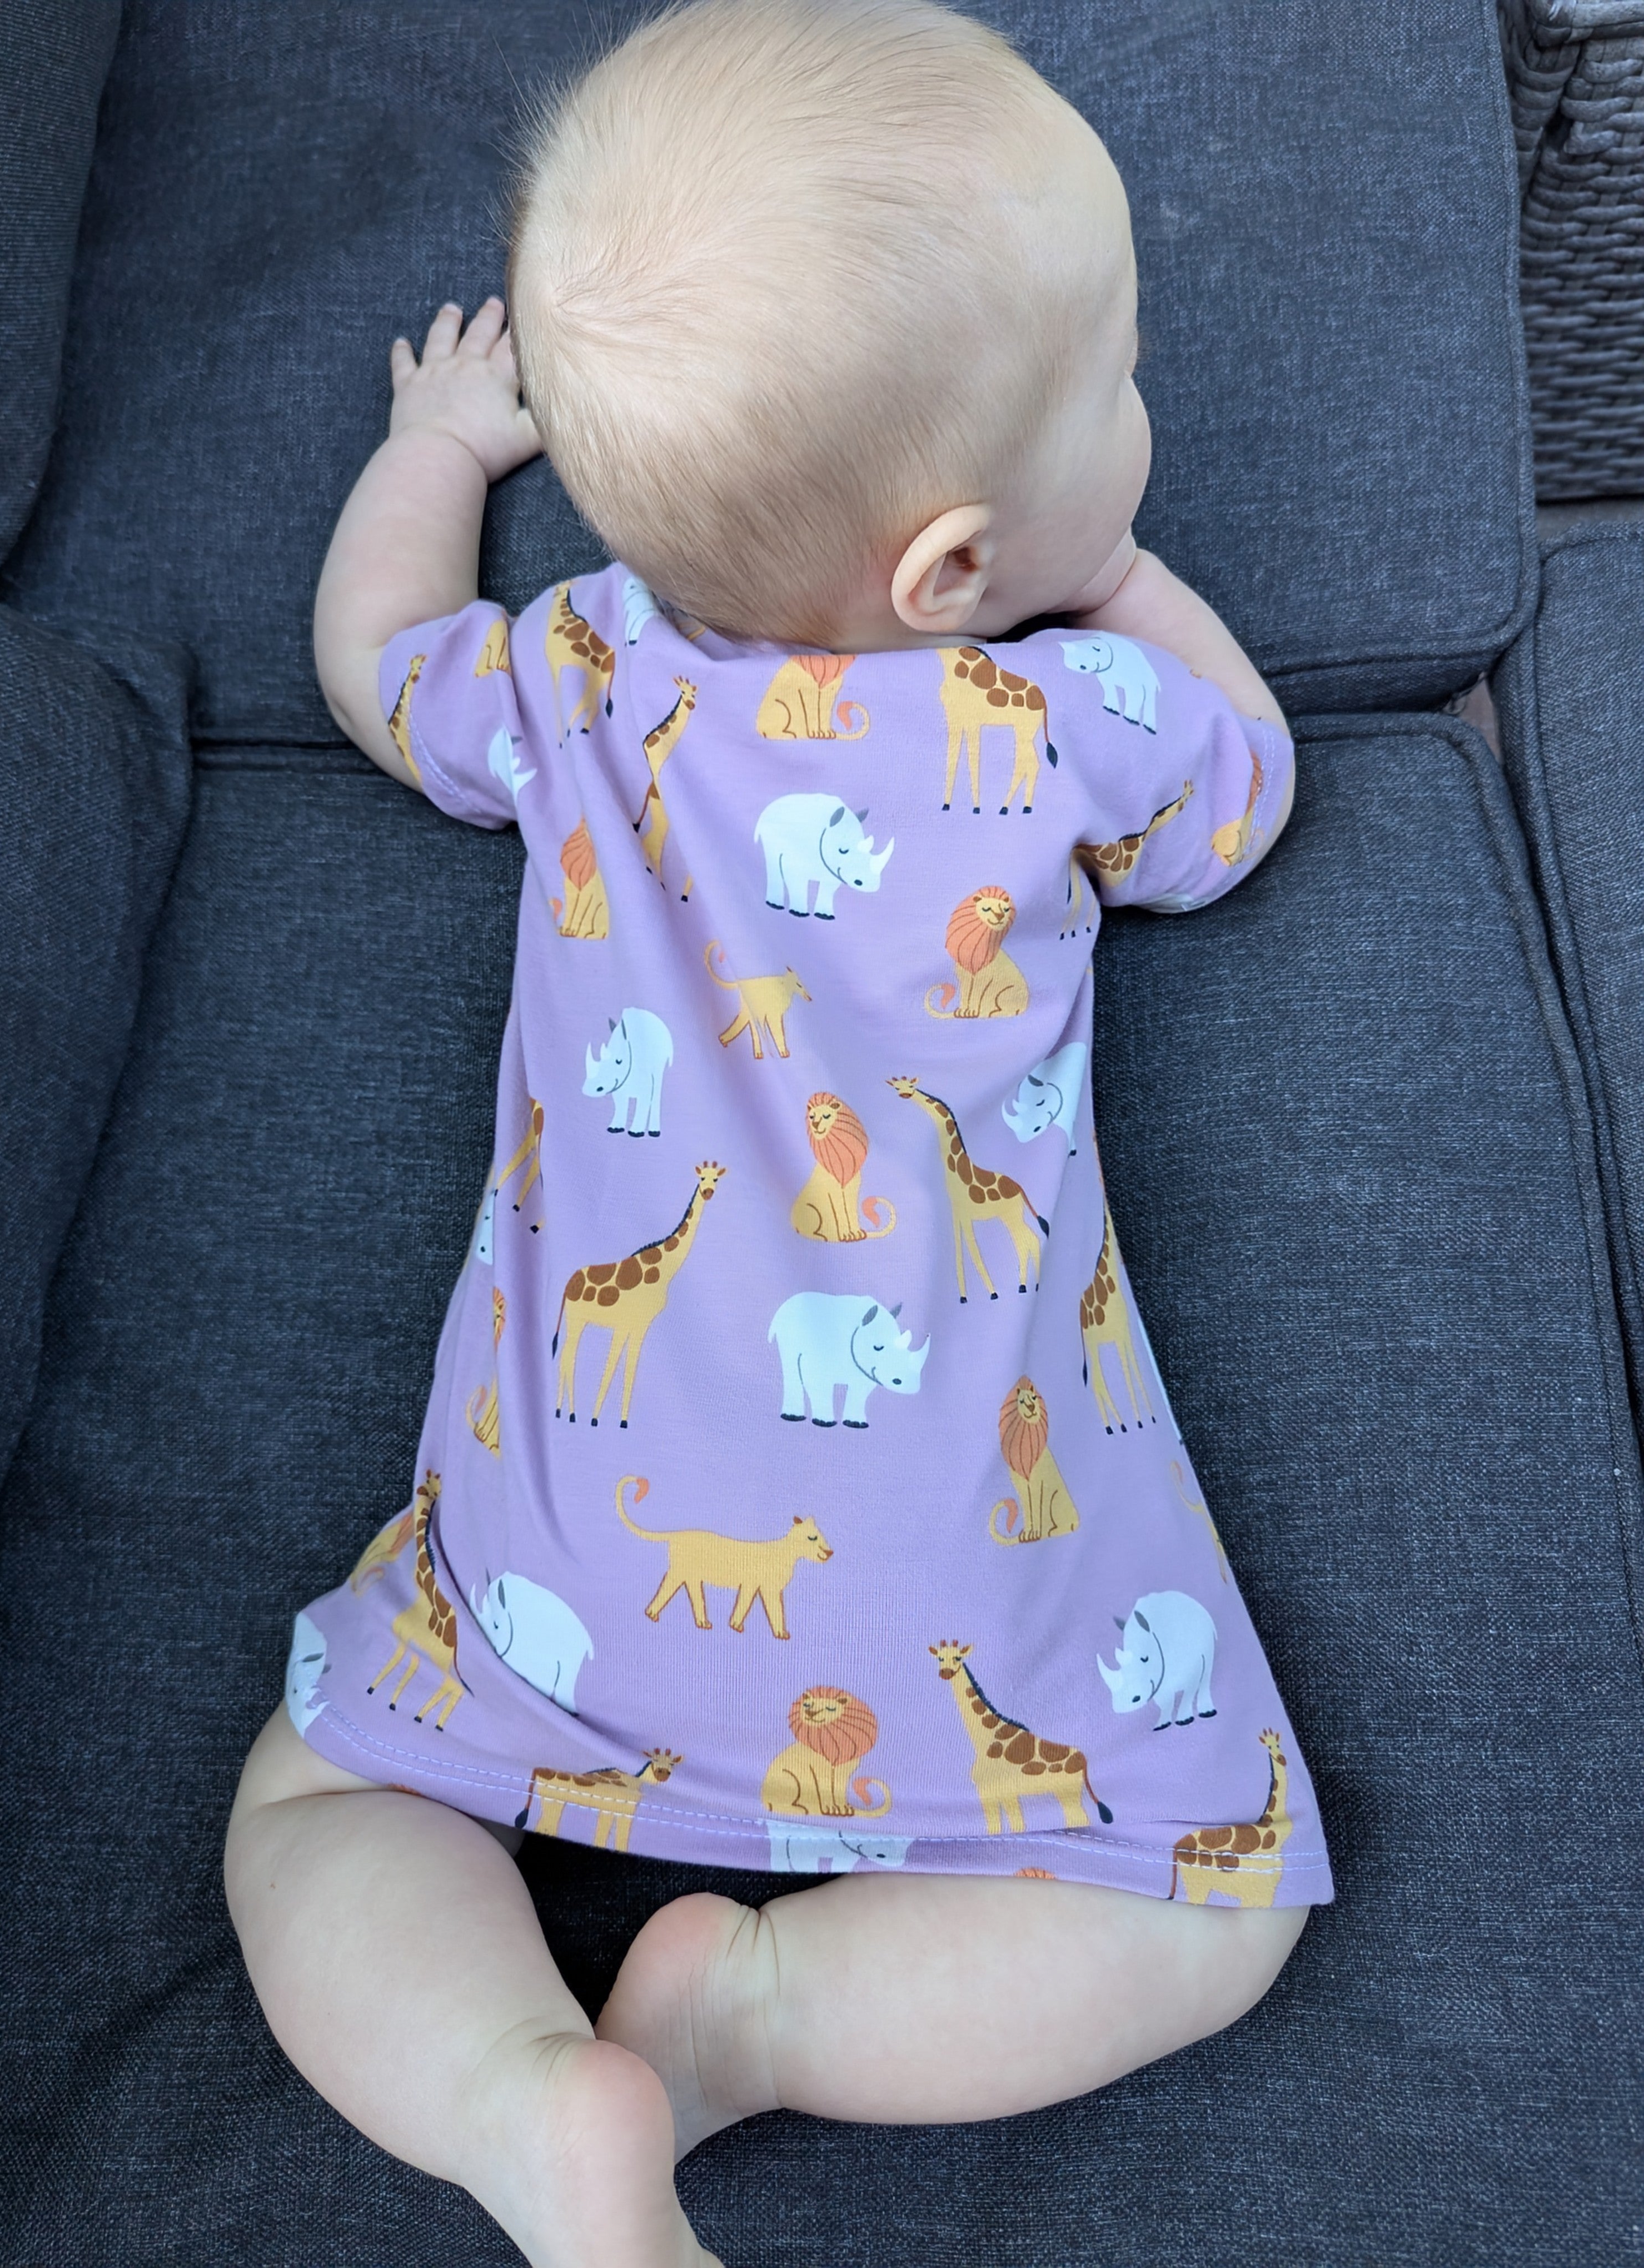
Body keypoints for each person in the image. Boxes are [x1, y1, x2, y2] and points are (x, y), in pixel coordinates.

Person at [225, 5, 1329, 2260]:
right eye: (1123, 383)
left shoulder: (575, 679)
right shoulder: (1070, 724)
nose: (1149, 413)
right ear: (949, 572)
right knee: (1220, 1902)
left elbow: (372, 657)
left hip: (562, 1575)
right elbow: (1251, 784)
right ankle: (766, 2016)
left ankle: (521, 2098)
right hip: (977, 1589)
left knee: (316, 1803)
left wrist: (437, 450)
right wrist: (1117, 569)